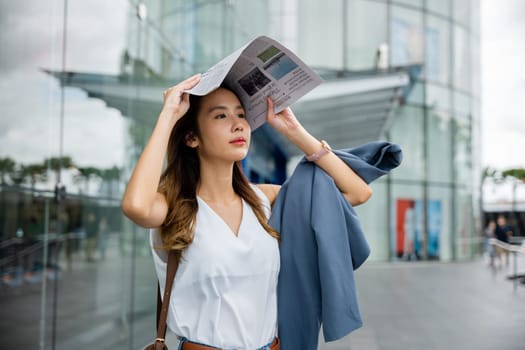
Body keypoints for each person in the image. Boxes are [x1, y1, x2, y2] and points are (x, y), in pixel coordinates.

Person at [121, 74, 372, 350]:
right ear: (192, 138)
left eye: (241, 115)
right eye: (221, 116)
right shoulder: (175, 208)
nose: (238, 124)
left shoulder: (264, 200)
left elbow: (357, 192)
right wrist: (168, 115)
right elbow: (136, 205)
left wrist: (294, 132)